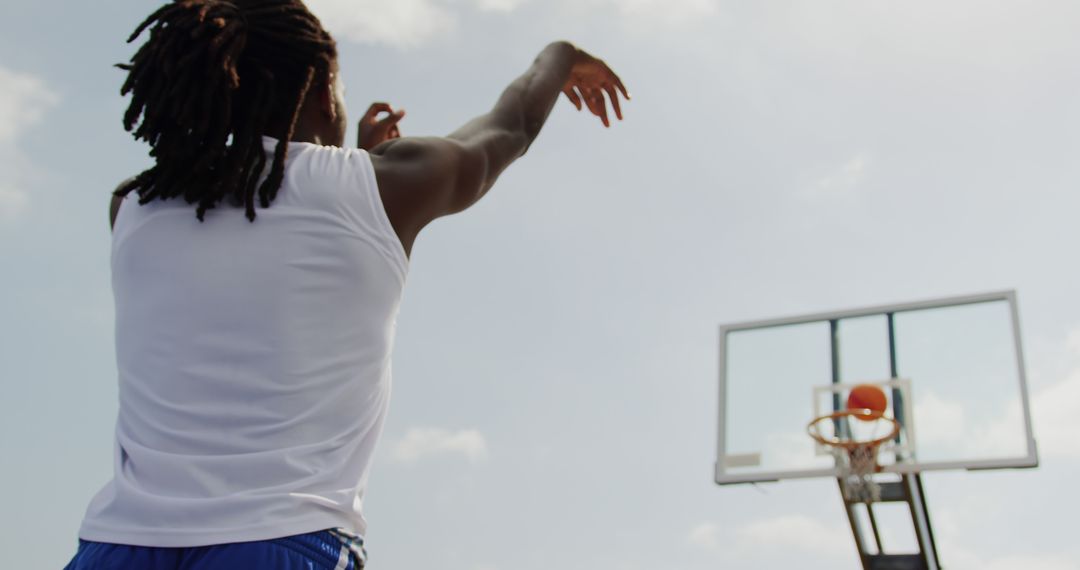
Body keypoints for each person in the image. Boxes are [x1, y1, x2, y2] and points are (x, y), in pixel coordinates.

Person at [65, 0, 628, 568]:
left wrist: (351, 163)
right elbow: (509, 128)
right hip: (279, 539)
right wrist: (560, 56)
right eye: (336, 87)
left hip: (118, 544)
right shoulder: (375, 189)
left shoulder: (132, 206)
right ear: (315, 92)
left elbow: (263, 244)